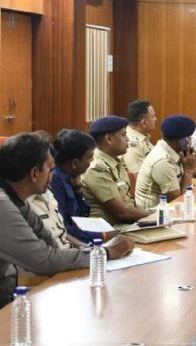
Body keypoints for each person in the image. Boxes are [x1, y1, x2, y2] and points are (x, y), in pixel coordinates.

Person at [0, 133, 133, 307]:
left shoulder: (16, 198)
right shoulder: (3, 204)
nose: (52, 176)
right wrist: (106, 253)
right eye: (50, 170)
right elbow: (43, 260)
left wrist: (87, 254)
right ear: (34, 173)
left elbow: (50, 242)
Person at [83, 115, 152, 229]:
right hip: (110, 230)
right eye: (124, 135)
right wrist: (155, 216)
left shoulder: (115, 161)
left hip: (126, 224)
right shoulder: (97, 169)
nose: (128, 139)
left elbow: (129, 203)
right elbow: (122, 212)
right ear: (109, 139)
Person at [50, 129, 118, 244]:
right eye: (90, 157)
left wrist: (78, 190)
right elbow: (64, 228)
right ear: (75, 163)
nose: (92, 161)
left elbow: (81, 216)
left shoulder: (71, 176)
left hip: (83, 235)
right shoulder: (54, 182)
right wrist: (103, 235)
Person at [136, 115, 196, 210]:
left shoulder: (172, 150)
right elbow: (178, 201)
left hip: (169, 209)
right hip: (153, 214)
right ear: (183, 141)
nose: (191, 140)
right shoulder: (163, 161)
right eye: (189, 137)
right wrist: (189, 171)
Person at [122, 100, 157, 173]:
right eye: (153, 116)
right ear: (144, 122)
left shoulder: (143, 138)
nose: (155, 119)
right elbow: (137, 174)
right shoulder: (132, 143)